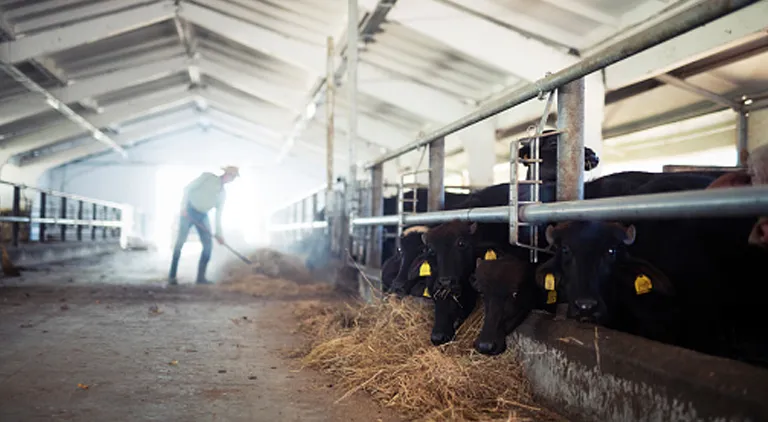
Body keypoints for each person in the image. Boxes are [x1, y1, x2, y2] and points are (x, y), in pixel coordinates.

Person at [168, 166, 239, 285]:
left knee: (208, 247)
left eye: (234, 178)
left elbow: (218, 215)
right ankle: (172, 276)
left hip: (202, 216)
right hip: (188, 212)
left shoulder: (222, 194)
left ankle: (200, 278)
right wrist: (183, 207)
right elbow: (187, 189)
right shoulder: (207, 177)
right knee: (180, 243)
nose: (231, 179)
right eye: (231, 176)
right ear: (226, 173)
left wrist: (219, 234)